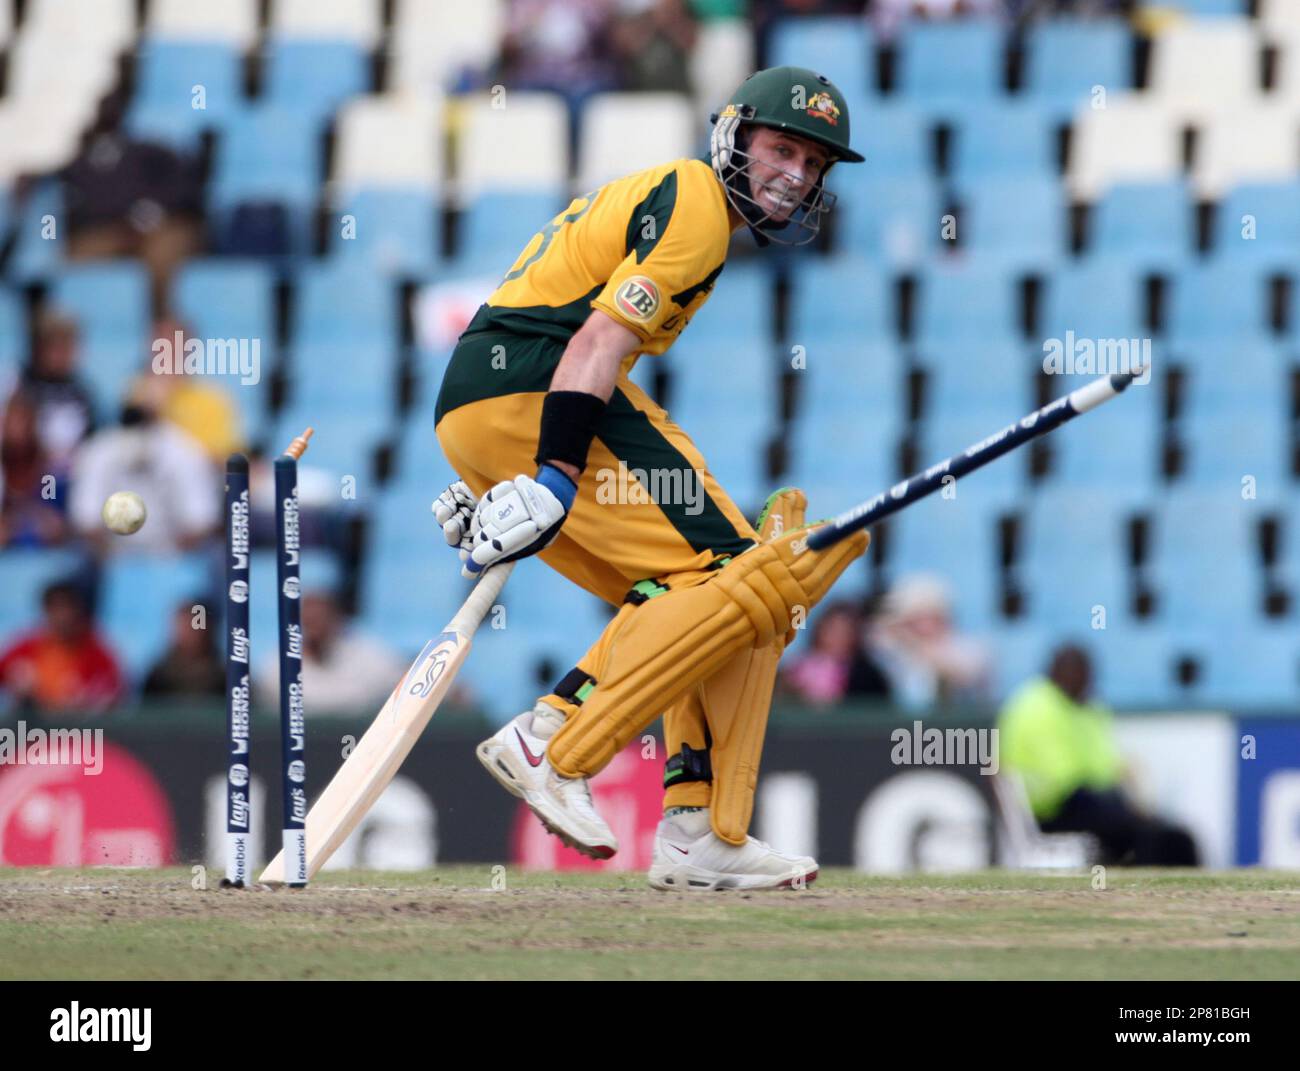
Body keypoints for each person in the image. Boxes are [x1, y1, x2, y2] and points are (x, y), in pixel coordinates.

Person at [433, 67, 869, 890]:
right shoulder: (700, 207)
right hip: (534, 382)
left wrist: (502, 468)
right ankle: (552, 734)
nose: (796, 175)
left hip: (488, 402)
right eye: (782, 149)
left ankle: (693, 828)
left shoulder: (684, 201)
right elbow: (594, 343)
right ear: (733, 137)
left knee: (714, 603)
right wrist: (554, 479)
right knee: (742, 574)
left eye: (814, 164)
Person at [998, 644, 1200, 866]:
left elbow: (1107, 766)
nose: (1085, 681)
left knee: (1174, 836)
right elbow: (1064, 784)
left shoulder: (1088, 706)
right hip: (1054, 811)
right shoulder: (1035, 706)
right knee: (1140, 832)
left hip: (1089, 800)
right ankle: (1141, 886)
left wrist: (1124, 795)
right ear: (1057, 671)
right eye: (1078, 673)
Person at [67, 380, 219, 557]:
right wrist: (114, 559)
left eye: (148, 419)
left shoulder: (186, 452)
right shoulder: (98, 451)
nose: (140, 427)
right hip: (111, 558)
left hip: (174, 557)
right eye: (135, 417)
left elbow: (199, 522)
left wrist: (167, 558)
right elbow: (86, 520)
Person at [254, 591, 408, 717]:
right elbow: (276, 695)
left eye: (320, 619)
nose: (315, 628)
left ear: (337, 619)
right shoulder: (280, 660)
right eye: (309, 621)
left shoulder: (369, 651)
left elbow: (397, 685)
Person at [869, 573, 993, 709]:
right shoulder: (899, 651)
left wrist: (911, 642)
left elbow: (963, 675)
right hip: (908, 728)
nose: (913, 625)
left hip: (961, 729)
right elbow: (873, 638)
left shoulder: (969, 648)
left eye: (921, 617)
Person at [0, 581, 123, 716]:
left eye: (67, 608)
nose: (62, 617)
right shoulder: (24, 649)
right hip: (31, 731)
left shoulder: (100, 656)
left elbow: (113, 700)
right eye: (55, 609)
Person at [781, 599, 892, 705]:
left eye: (844, 632)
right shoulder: (796, 669)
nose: (837, 637)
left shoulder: (868, 677)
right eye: (832, 630)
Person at [142, 600, 225, 699]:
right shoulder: (159, 676)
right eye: (184, 625)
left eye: (195, 626)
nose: (189, 632)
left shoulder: (225, 675)